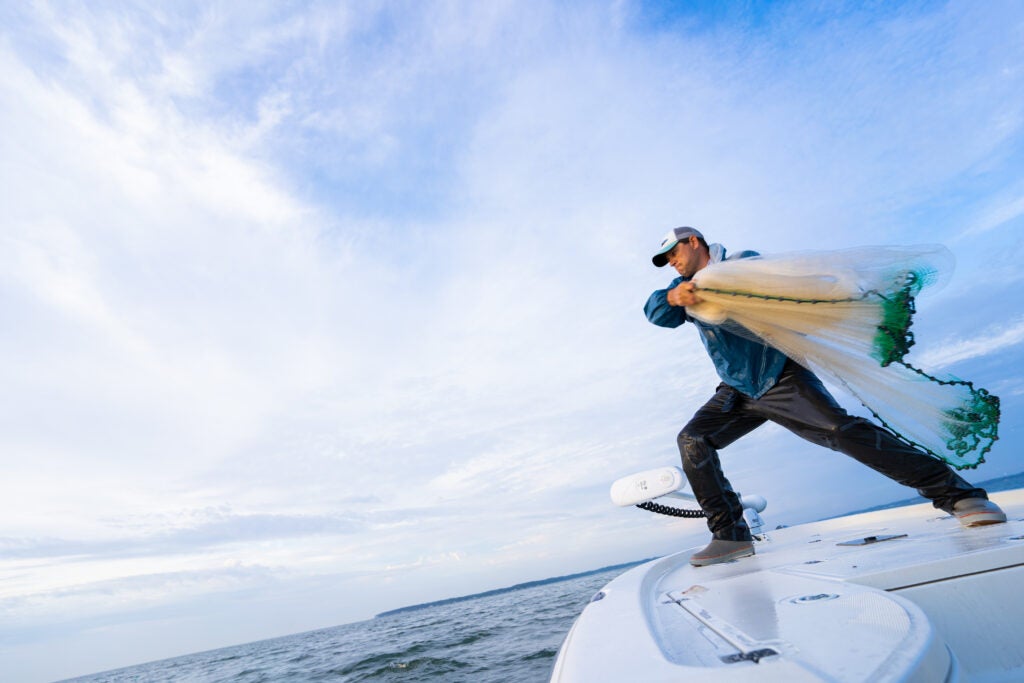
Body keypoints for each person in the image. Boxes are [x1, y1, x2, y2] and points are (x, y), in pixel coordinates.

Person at [645, 226, 1007, 567]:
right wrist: (675, 295)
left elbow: (779, 289)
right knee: (693, 439)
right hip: (736, 387)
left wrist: (711, 290)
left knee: (838, 429)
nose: (671, 261)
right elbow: (656, 312)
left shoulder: (743, 262)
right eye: (665, 260)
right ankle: (731, 535)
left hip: (780, 375)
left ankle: (958, 495)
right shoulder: (683, 290)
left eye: (673, 252)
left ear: (694, 242)